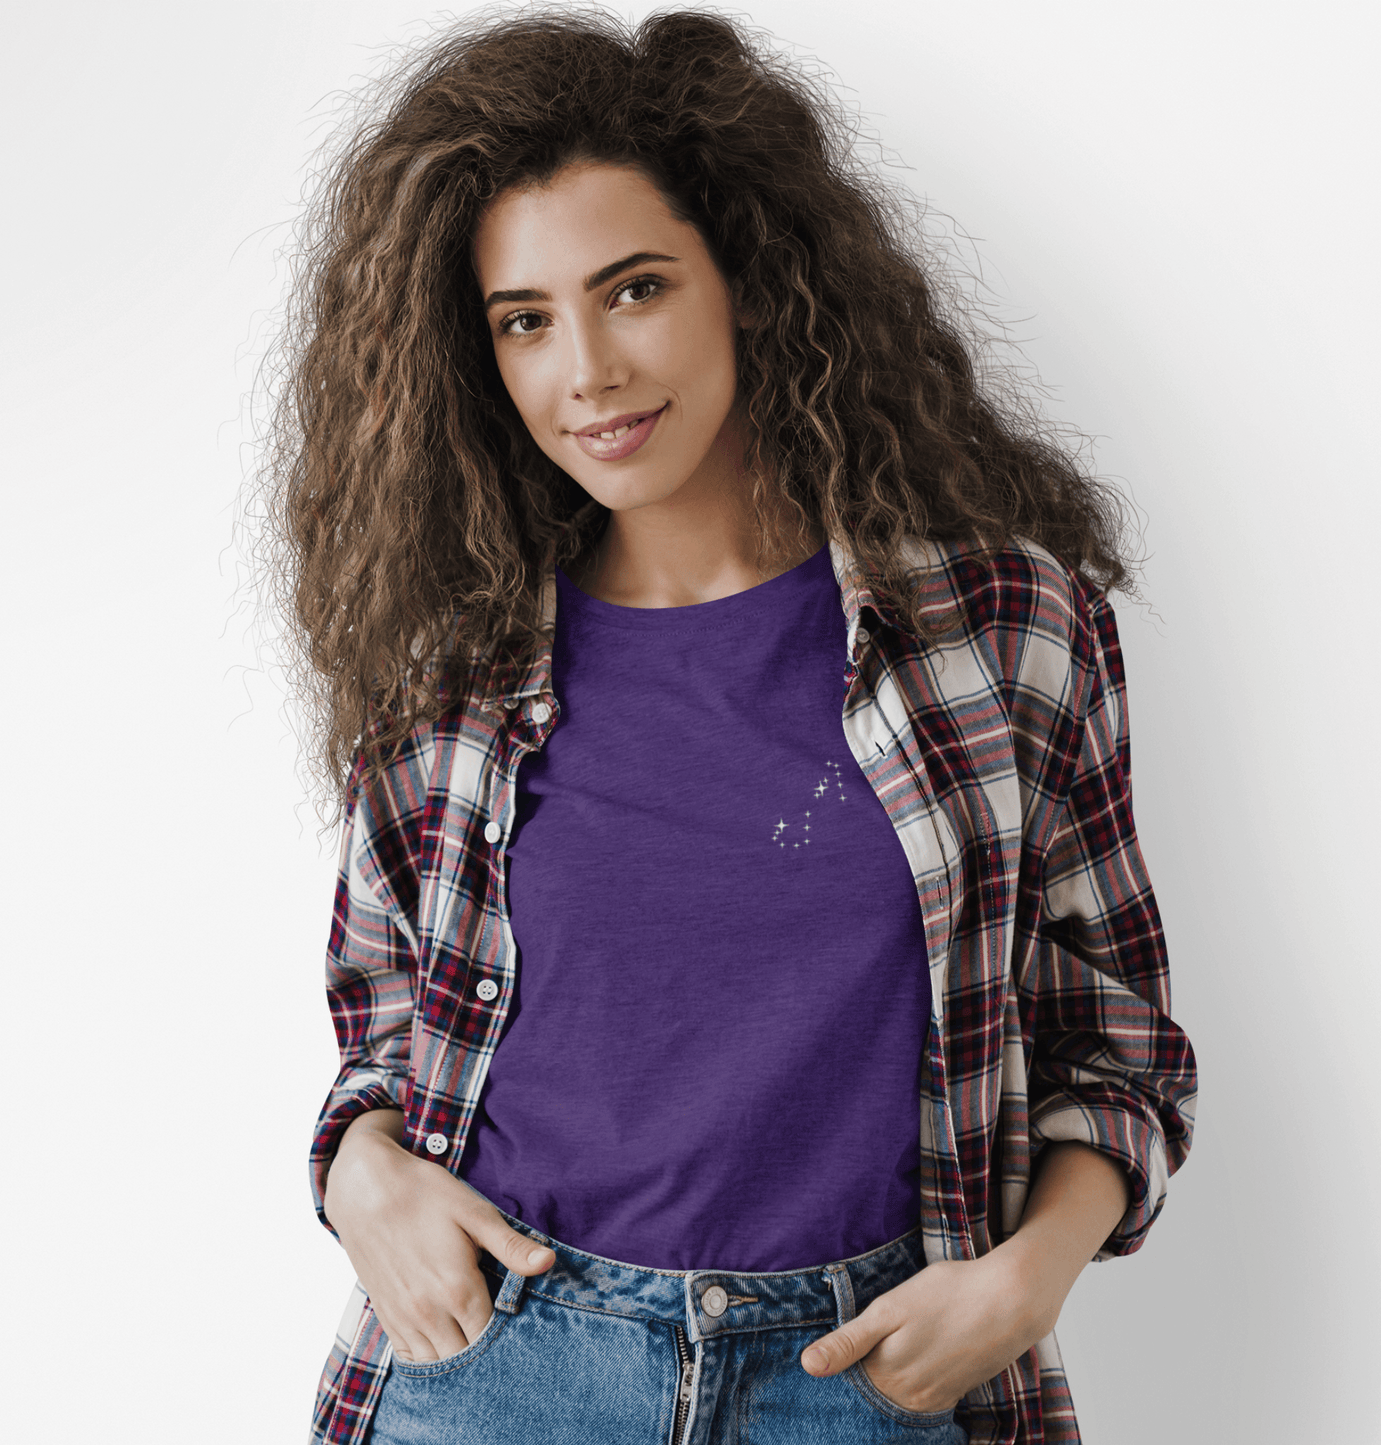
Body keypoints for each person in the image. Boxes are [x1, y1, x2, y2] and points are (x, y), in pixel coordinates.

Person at [259, 9, 1198, 1444]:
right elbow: (384, 1022)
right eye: (524, 320)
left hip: (871, 1377)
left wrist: (1026, 1280)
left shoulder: (1006, 629)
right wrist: (358, 1170)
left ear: (748, 281)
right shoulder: (448, 665)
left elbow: (1115, 1038)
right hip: (500, 1365)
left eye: (633, 289)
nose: (587, 369)